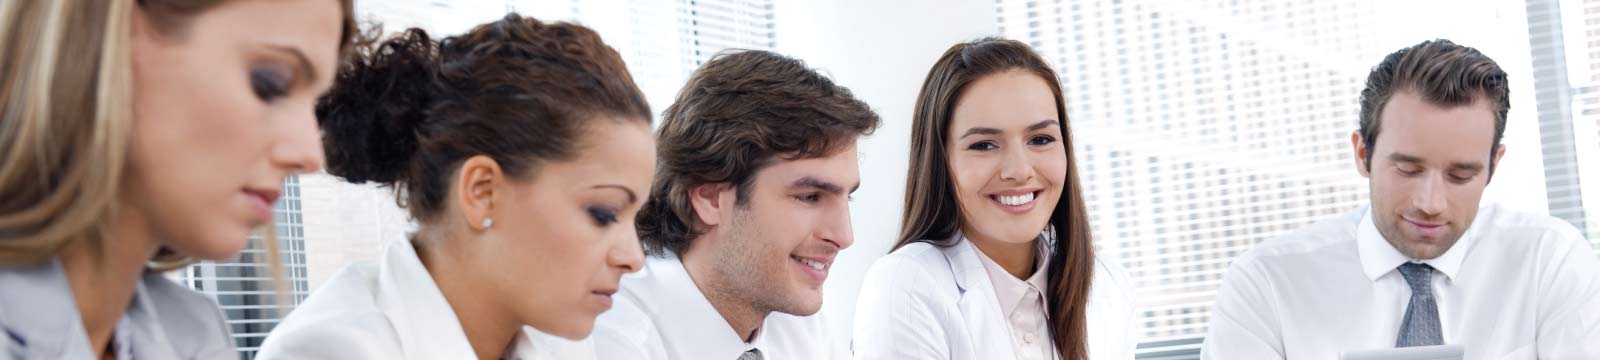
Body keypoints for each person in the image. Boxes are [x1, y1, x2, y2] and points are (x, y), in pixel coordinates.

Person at [255, 14, 654, 359]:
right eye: (603, 214)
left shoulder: (561, 338)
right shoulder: (332, 351)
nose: (634, 258)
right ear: (482, 192)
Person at [1200, 39, 1600, 358]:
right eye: (1407, 169)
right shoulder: (1266, 284)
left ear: (1493, 165)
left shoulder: (1551, 261)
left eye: (1461, 175)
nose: (1431, 203)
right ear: (1363, 154)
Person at [0, 0, 353, 358]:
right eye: (269, 83)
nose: (310, 155)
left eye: (313, 104)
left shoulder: (196, 335)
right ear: (116, 41)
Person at [850, 38, 1137, 360]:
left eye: (1040, 139)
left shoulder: (1107, 285)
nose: (1019, 170)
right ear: (940, 161)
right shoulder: (907, 284)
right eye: (984, 145)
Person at [589, 50, 880, 360]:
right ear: (711, 198)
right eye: (809, 197)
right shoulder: (610, 339)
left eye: (846, 196)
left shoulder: (793, 319)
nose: (844, 236)